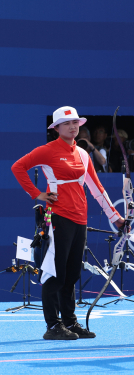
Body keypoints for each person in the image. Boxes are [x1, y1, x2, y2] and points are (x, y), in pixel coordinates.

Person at [11, 106, 124, 340]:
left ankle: (70, 323)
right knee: (55, 273)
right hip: (57, 218)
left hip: (79, 219)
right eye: (66, 123)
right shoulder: (47, 150)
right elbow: (18, 167)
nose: (72, 127)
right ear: (57, 128)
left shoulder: (83, 154)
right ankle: (52, 325)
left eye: (75, 123)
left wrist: (116, 217)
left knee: (72, 273)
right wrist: (36, 193)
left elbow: (96, 188)